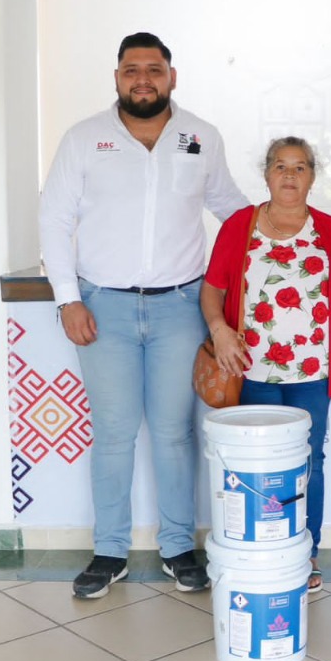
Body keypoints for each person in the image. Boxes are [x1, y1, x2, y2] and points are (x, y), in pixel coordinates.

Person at [39, 32, 249, 599]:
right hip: (101, 307)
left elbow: (231, 212)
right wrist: (67, 298)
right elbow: (54, 219)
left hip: (182, 308)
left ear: (171, 76)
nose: (142, 79)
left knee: (176, 434)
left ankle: (179, 546)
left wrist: (288, 235)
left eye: (153, 69)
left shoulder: (201, 137)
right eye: (131, 69)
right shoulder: (84, 139)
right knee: (111, 434)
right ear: (116, 77)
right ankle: (110, 550)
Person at [200, 137, 331, 593]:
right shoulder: (240, 225)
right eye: (280, 166)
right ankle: (262, 547)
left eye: (299, 167)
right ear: (266, 174)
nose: (289, 175)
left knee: (309, 460)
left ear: (313, 176)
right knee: (256, 461)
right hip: (252, 372)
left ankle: (305, 553)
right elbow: (212, 290)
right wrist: (219, 330)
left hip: (313, 374)